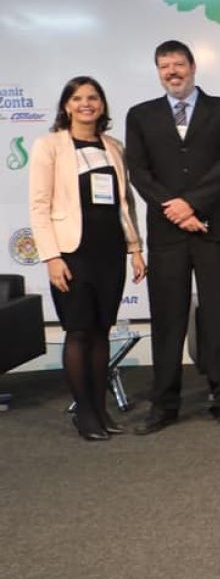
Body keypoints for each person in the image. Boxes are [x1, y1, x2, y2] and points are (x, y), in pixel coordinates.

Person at [125, 40, 220, 434]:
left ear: (193, 67)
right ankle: (164, 405)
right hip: (167, 235)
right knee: (168, 321)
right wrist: (174, 209)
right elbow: (139, 173)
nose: (172, 71)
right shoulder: (140, 115)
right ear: (158, 71)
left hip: (215, 230)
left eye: (178, 64)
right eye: (164, 66)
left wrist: (190, 204)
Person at [28, 76, 147, 440]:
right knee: (78, 332)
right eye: (77, 98)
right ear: (66, 106)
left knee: (101, 333)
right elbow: (39, 206)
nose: (86, 103)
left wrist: (135, 248)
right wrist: (51, 257)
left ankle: (100, 409)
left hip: (109, 251)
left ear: (102, 104)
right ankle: (84, 414)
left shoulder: (113, 146)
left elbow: (125, 203)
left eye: (93, 97)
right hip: (71, 253)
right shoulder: (48, 146)